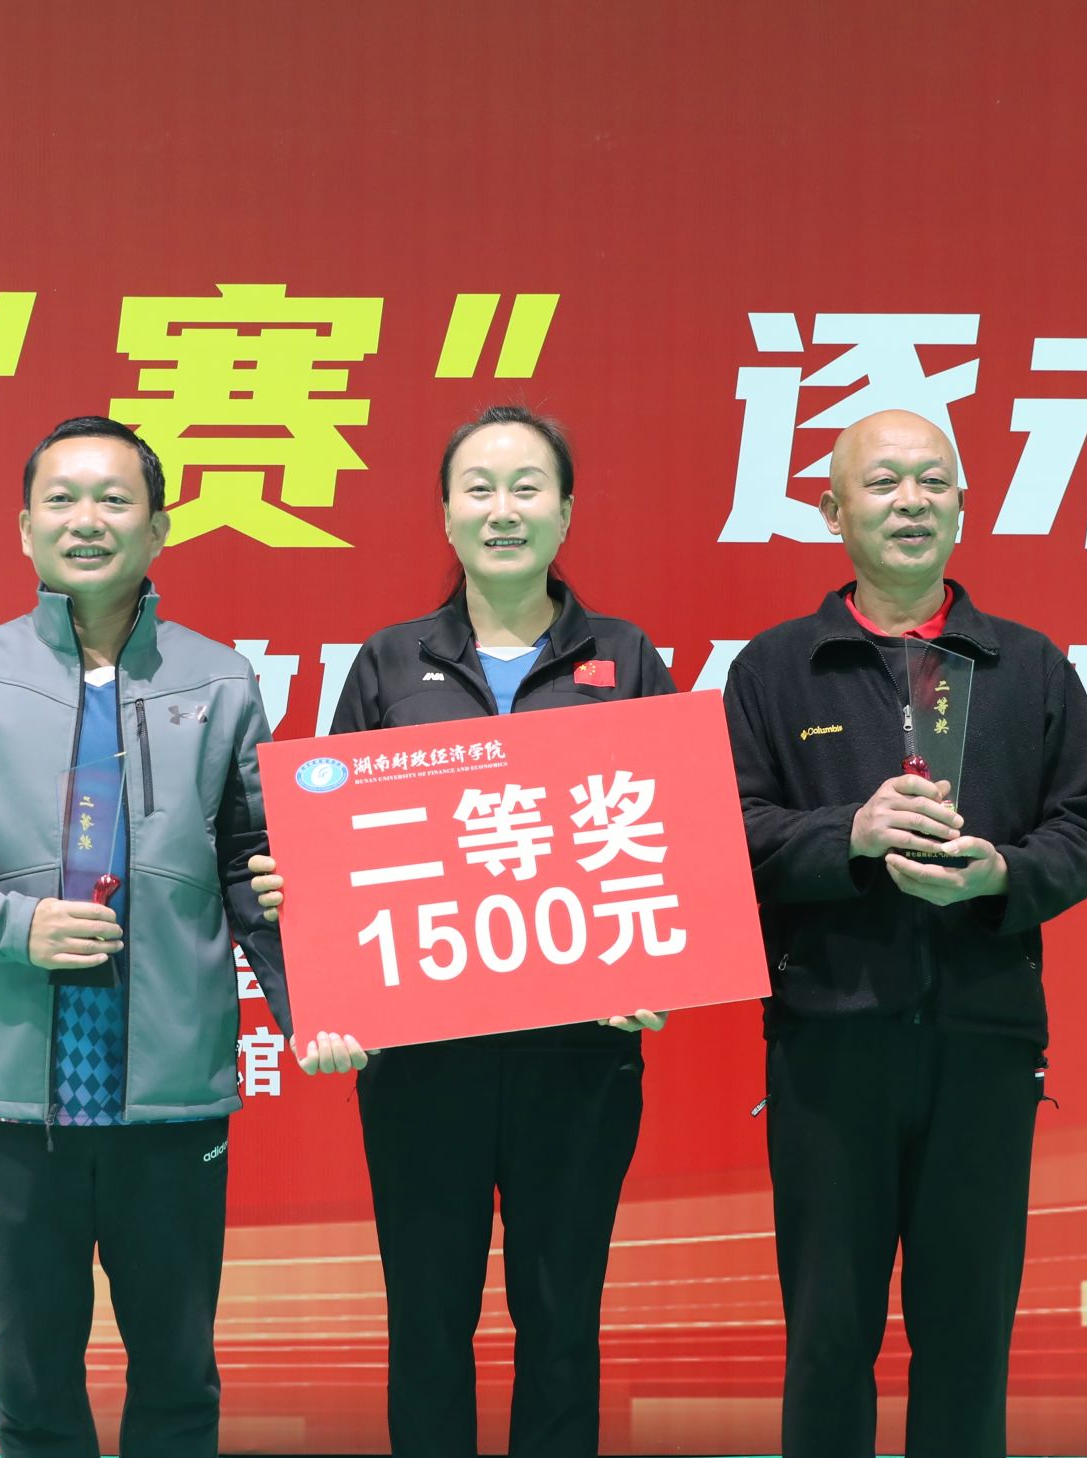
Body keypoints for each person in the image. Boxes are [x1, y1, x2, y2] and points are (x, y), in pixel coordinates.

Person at [0, 415, 289, 1458]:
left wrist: (322, 1001)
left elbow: (257, 860)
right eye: (61, 500)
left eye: (113, 500)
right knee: (34, 1377)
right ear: (24, 527)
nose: (85, 521)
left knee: (178, 1375)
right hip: (14, 1089)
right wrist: (14, 926)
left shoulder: (220, 680)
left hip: (172, 1092)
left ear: (158, 527)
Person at [247, 404, 674, 1458]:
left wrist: (656, 966)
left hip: (578, 1059)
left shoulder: (622, 656)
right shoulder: (390, 663)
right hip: (422, 1065)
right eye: (478, 489)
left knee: (561, 1325)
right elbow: (334, 857)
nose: (502, 509)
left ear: (565, 512)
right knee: (428, 1325)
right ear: (445, 516)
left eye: (527, 487)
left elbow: (666, 842)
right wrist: (304, 917)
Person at [722, 409, 1087, 1458]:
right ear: (831, 510)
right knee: (826, 1340)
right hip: (827, 1046)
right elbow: (728, 835)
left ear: (961, 506)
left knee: (968, 1339)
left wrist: (1002, 878)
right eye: (884, 482)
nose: (911, 502)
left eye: (933, 482)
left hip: (983, 1045)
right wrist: (846, 837)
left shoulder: (1027, 666)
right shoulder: (775, 669)